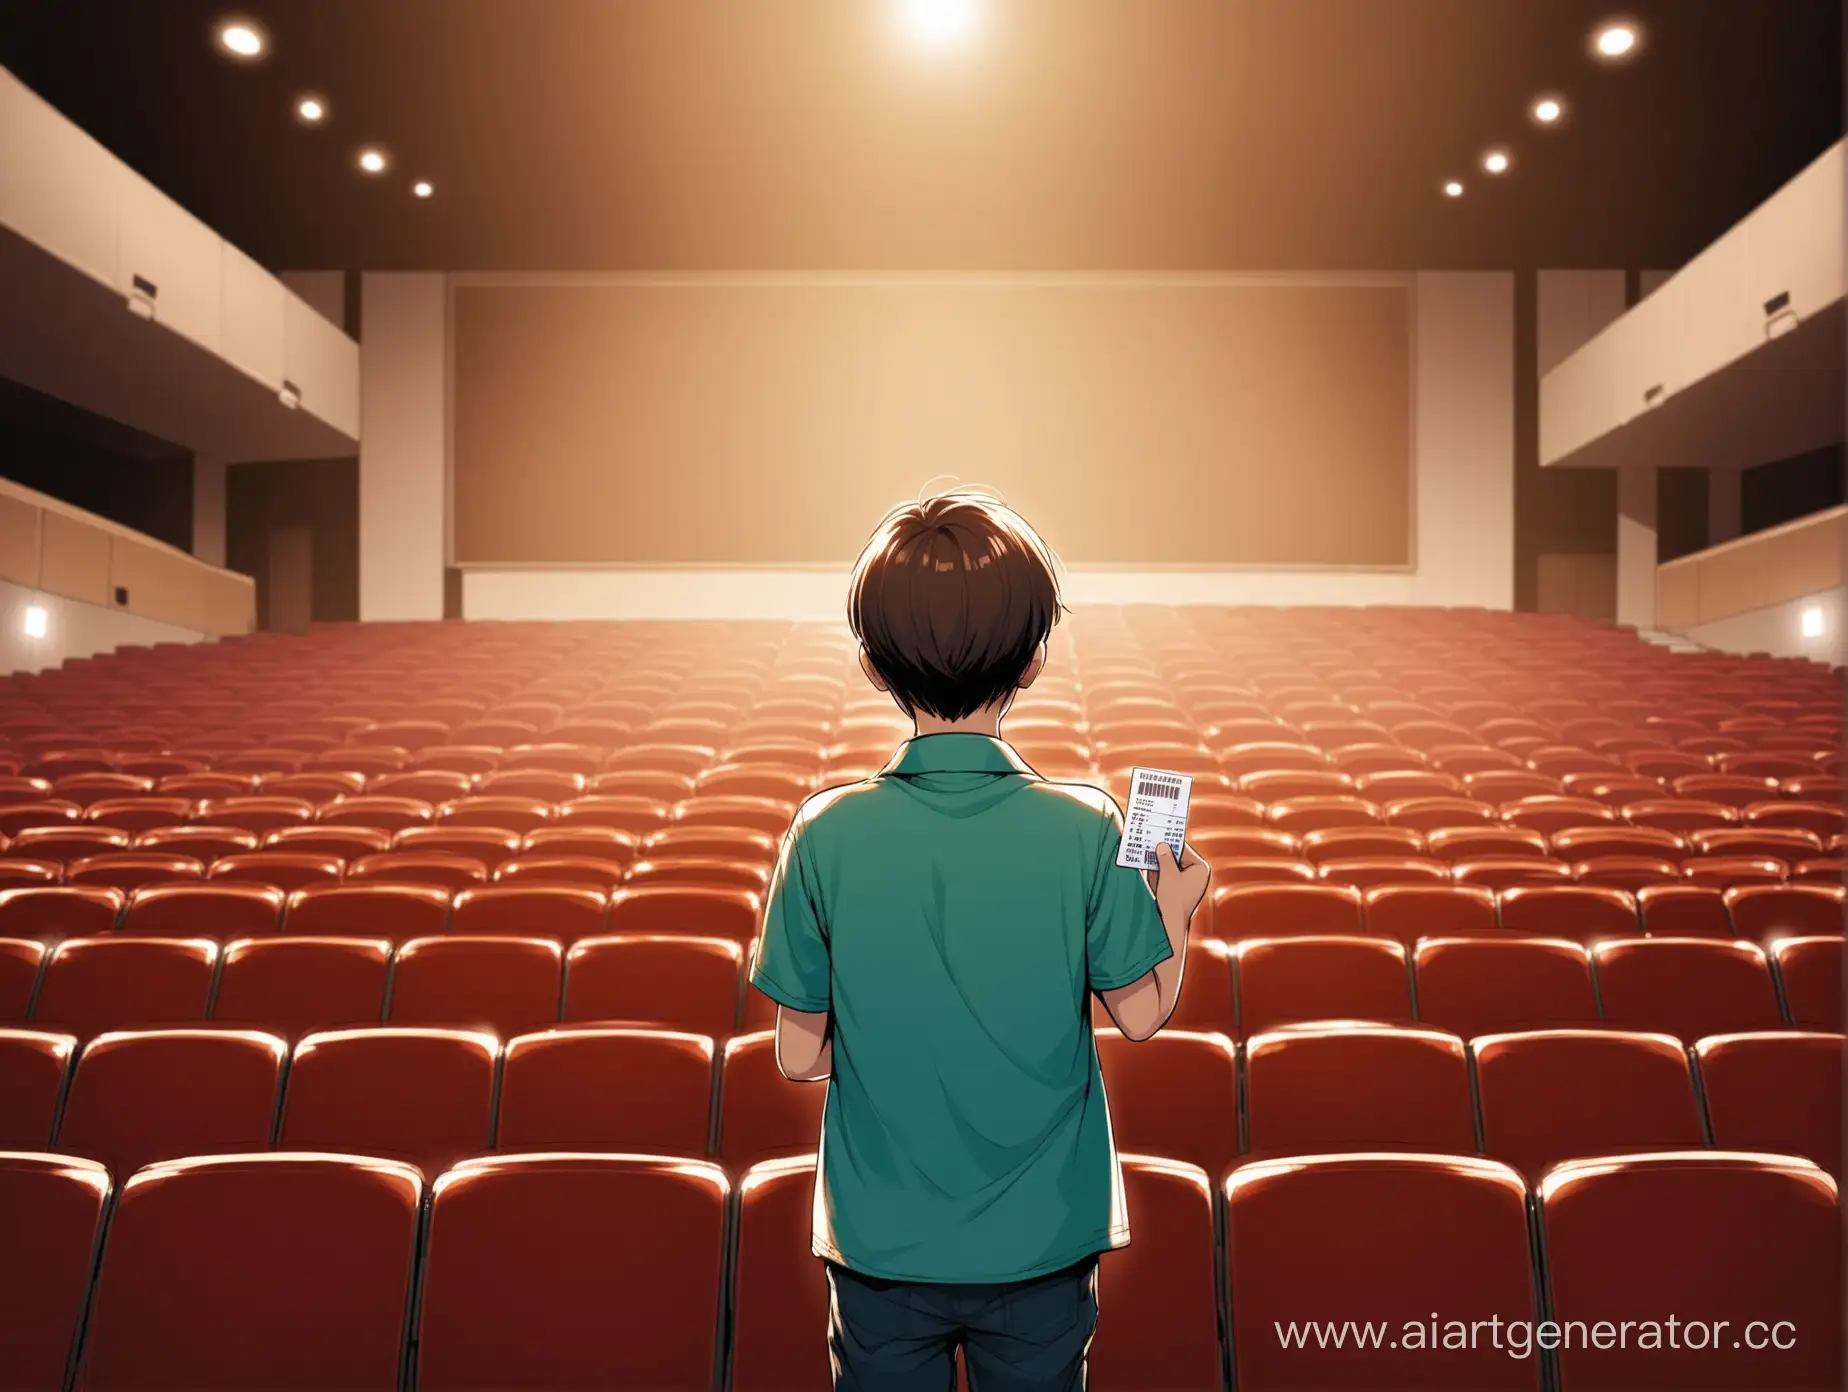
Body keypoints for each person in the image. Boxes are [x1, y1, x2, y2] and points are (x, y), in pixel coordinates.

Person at [749, 490, 1212, 1391]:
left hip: (880, 1242)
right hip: (1044, 1240)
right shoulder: (1088, 829)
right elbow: (1145, 1015)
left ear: (872, 664)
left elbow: (801, 1059)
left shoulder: (823, 832)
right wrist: (1179, 909)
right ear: (1034, 658)